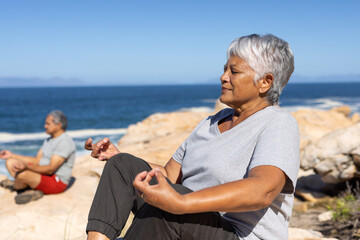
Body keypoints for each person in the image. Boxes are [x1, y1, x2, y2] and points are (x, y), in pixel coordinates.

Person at [85, 34, 300, 240]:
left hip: (237, 235)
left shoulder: (277, 124)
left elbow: (262, 190)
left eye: (234, 71)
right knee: (122, 165)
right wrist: (118, 156)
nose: (223, 77)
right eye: (225, 69)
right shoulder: (210, 123)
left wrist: (180, 202)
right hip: (187, 223)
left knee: (171, 210)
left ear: (265, 82)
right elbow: (169, 175)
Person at [0, 110, 76, 204]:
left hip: (56, 181)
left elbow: (50, 169)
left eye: (48, 124)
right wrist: (12, 155)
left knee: (22, 174)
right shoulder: (49, 140)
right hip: (44, 174)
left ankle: (18, 186)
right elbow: (37, 160)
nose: (45, 126)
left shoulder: (64, 142)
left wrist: (26, 167)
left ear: (59, 125)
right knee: (10, 161)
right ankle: (25, 186)